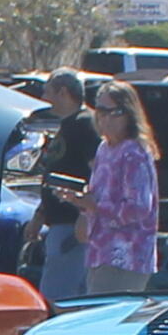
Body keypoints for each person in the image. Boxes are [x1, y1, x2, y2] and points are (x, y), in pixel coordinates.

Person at [57, 78, 160, 295]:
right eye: (100, 110)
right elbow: (99, 195)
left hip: (127, 256)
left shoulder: (134, 153)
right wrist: (80, 201)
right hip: (99, 251)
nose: (104, 117)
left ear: (129, 115)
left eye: (112, 111)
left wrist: (96, 206)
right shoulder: (104, 148)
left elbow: (140, 208)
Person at [23, 70, 100, 299]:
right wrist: (39, 217)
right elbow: (53, 174)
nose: (44, 97)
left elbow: (99, 172)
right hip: (58, 223)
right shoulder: (67, 126)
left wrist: (85, 214)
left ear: (63, 93)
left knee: (59, 297)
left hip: (73, 227)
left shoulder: (85, 124)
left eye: (48, 91)